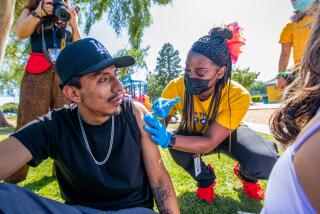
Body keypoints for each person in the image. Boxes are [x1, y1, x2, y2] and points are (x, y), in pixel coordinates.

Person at [0, 38, 180, 214]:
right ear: (73, 93)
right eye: (103, 79)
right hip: (80, 211)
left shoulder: (136, 113)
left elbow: (159, 180)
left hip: (135, 210)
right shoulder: (55, 125)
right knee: (5, 196)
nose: (119, 87)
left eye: (115, 74)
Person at [143, 23, 279, 203]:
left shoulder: (238, 95)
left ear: (221, 72)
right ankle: (205, 179)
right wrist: (157, 115)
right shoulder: (175, 87)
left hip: (230, 135)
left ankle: (246, 175)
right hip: (194, 134)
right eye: (187, 71)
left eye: (200, 72)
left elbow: (209, 142)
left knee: (266, 161)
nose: (191, 77)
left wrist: (170, 139)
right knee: (178, 150)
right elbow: (158, 127)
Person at [5, 0, 82, 183]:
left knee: (68, 122)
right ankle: (13, 178)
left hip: (64, 75)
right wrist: (38, 13)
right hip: (35, 74)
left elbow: (79, 46)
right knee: (26, 122)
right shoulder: (32, 10)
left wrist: (74, 23)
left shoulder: (68, 11)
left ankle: (65, 174)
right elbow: (20, 33)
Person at [263, 7, 320, 213]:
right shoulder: (290, 27)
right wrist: (280, 73)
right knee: (294, 121)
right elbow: (285, 52)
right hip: (302, 74)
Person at [277, 0, 319, 89]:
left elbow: (285, 55)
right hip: (302, 73)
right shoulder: (290, 27)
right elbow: (284, 55)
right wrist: (281, 76)